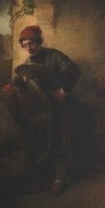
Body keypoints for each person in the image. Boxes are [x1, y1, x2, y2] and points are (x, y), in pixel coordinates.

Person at [8, 25, 80, 194]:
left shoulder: (54, 56)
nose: (28, 48)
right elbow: (20, 82)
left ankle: (60, 179)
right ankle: (45, 179)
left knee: (62, 140)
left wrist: (63, 91)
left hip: (63, 106)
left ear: (39, 42)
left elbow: (74, 71)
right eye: (24, 45)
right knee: (45, 142)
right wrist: (12, 85)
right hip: (44, 109)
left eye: (31, 44)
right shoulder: (27, 63)